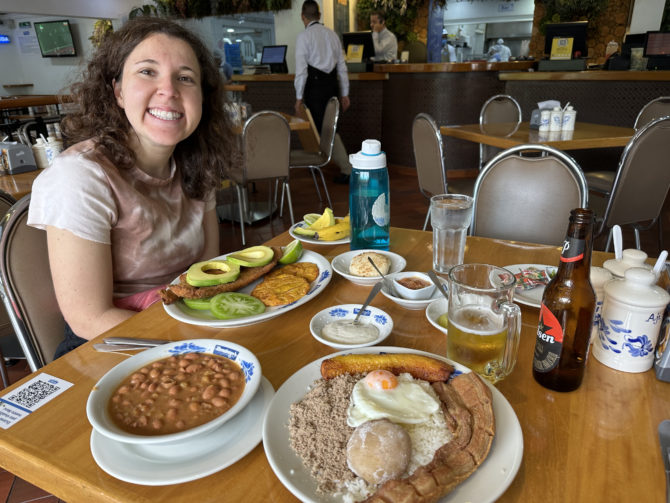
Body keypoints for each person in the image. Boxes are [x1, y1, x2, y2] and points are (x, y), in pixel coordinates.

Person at [27, 17, 237, 358]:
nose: (169, 90)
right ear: (119, 91)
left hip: (189, 323)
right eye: (147, 72)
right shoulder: (82, 176)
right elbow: (88, 318)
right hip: (109, 345)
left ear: (202, 98)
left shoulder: (198, 163)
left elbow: (208, 271)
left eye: (185, 78)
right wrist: (192, 348)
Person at [294, 0, 351, 184]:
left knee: (322, 129)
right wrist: (345, 94)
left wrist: (298, 98)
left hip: (314, 88)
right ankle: (317, 164)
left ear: (303, 16)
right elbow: (342, 67)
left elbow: (301, 71)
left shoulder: (304, 37)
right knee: (329, 127)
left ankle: (347, 169)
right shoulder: (332, 35)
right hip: (332, 86)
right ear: (319, 15)